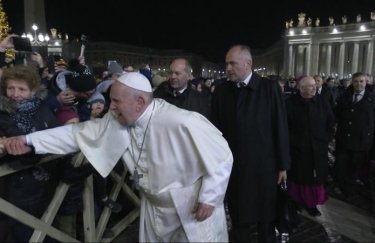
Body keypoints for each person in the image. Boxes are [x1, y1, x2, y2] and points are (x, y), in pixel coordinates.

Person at [2, 72, 233, 242]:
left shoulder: (183, 121)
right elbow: (75, 134)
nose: (110, 107)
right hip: (153, 209)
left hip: (191, 209)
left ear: (140, 102)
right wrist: (29, 140)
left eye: (116, 101)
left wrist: (210, 198)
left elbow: (222, 156)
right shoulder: (118, 119)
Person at [210, 44, 290, 242]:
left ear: (248, 64)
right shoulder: (222, 91)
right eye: (227, 63)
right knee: (239, 219)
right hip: (234, 168)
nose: (228, 68)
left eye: (233, 63)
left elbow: (280, 127)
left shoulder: (269, 88)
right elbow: (214, 131)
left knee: (266, 220)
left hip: (265, 168)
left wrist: (283, 166)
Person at [0, 65, 59, 242]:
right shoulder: (3, 113)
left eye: (21, 89)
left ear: (33, 91)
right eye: (10, 88)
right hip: (14, 182)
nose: (15, 94)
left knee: (43, 224)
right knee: (21, 229)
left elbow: (55, 135)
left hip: (44, 179)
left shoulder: (43, 109)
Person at [285, 76, 335, 217]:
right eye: (310, 86)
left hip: (318, 148)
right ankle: (295, 202)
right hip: (298, 149)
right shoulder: (290, 103)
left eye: (315, 85)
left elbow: (330, 122)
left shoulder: (322, 102)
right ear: (301, 88)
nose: (314, 88)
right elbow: (285, 127)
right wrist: (294, 141)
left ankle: (311, 204)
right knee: (297, 177)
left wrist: (326, 138)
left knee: (315, 179)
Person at [334, 72, 375, 197]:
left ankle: (350, 190)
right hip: (344, 138)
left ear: (366, 82)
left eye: (361, 81)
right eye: (356, 81)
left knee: (355, 167)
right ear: (352, 82)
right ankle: (339, 186)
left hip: (361, 141)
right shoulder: (344, 96)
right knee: (341, 165)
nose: (359, 84)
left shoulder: (372, 98)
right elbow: (337, 115)